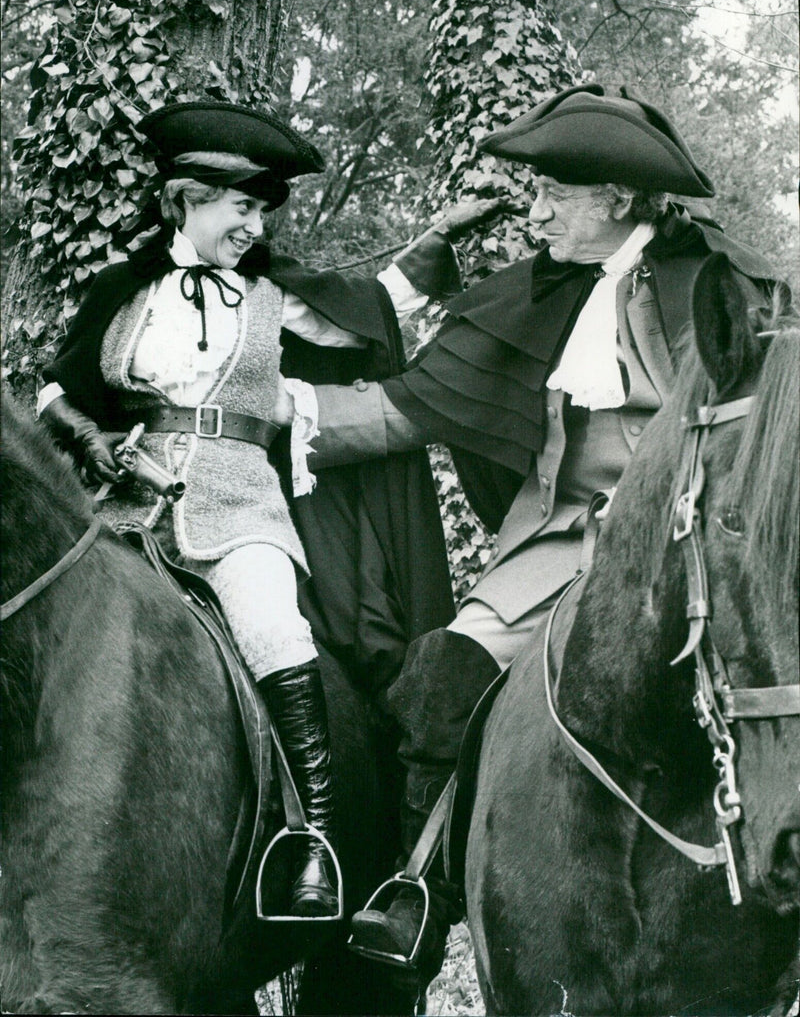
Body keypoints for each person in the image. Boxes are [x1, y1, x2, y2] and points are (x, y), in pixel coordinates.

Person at [271, 83, 781, 984]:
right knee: (439, 679)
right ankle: (417, 894)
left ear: (616, 200)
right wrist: (257, 411)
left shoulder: (725, 284)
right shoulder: (541, 289)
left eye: (555, 195)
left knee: (771, 667)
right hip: (551, 550)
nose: (534, 212)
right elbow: (402, 411)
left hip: (684, 541)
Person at [36, 100, 481, 921]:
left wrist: (434, 244)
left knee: (276, 629)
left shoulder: (276, 297)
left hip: (241, 505)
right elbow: (59, 387)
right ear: (185, 200)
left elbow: (371, 305)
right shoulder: (122, 291)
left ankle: (306, 839)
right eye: (241, 207)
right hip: (125, 504)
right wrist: (84, 432)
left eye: (262, 211)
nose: (253, 225)